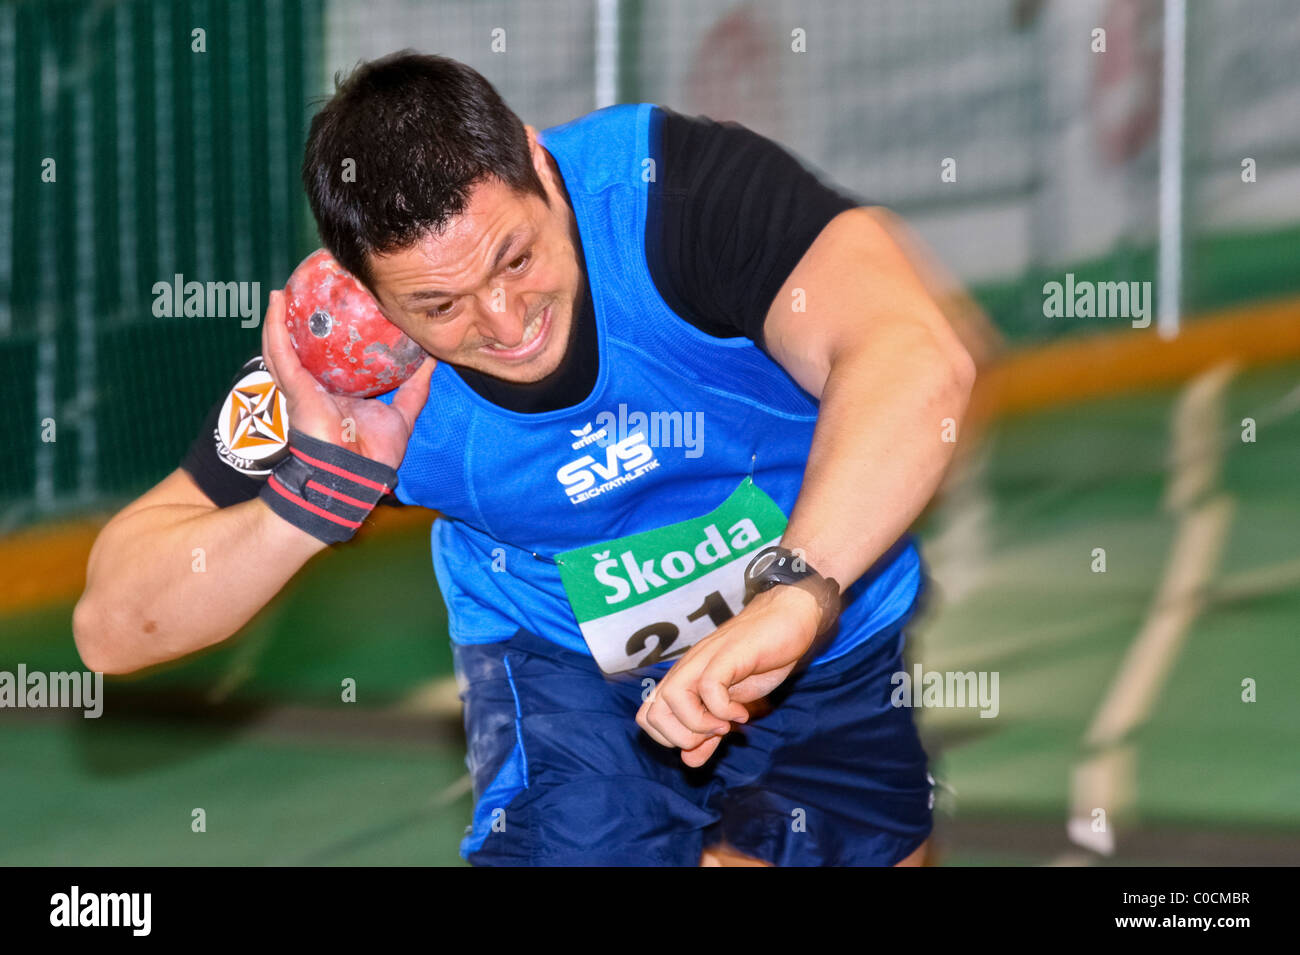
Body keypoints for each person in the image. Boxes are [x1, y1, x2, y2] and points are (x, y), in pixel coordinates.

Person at [74, 51, 977, 867]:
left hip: (826, 621)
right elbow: (112, 627)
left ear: (543, 167)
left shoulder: (674, 196)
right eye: (439, 306)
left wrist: (797, 588)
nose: (505, 325)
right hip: (567, 671)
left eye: (514, 259)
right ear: (368, 294)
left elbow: (916, 359)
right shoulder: (352, 372)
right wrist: (313, 494)